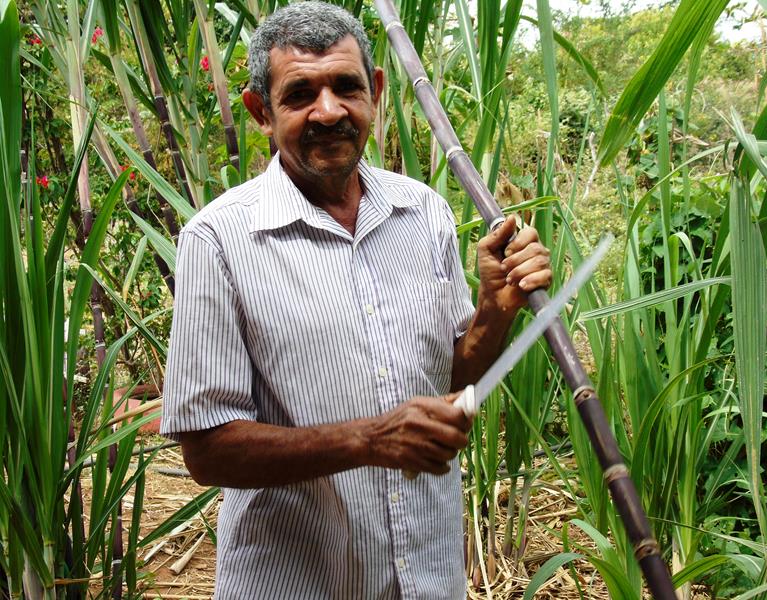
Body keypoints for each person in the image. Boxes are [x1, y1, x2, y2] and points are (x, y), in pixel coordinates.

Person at [161, 2, 552, 598]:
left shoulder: (423, 213)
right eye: (300, 94)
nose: (328, 111)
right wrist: (368, 439)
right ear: (261, 112)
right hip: (301, 582)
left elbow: (445, 374)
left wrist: (495, 310)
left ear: (374, 92)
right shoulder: (218, 240)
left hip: (426, 575)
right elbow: (207, 451)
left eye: (346, 86)